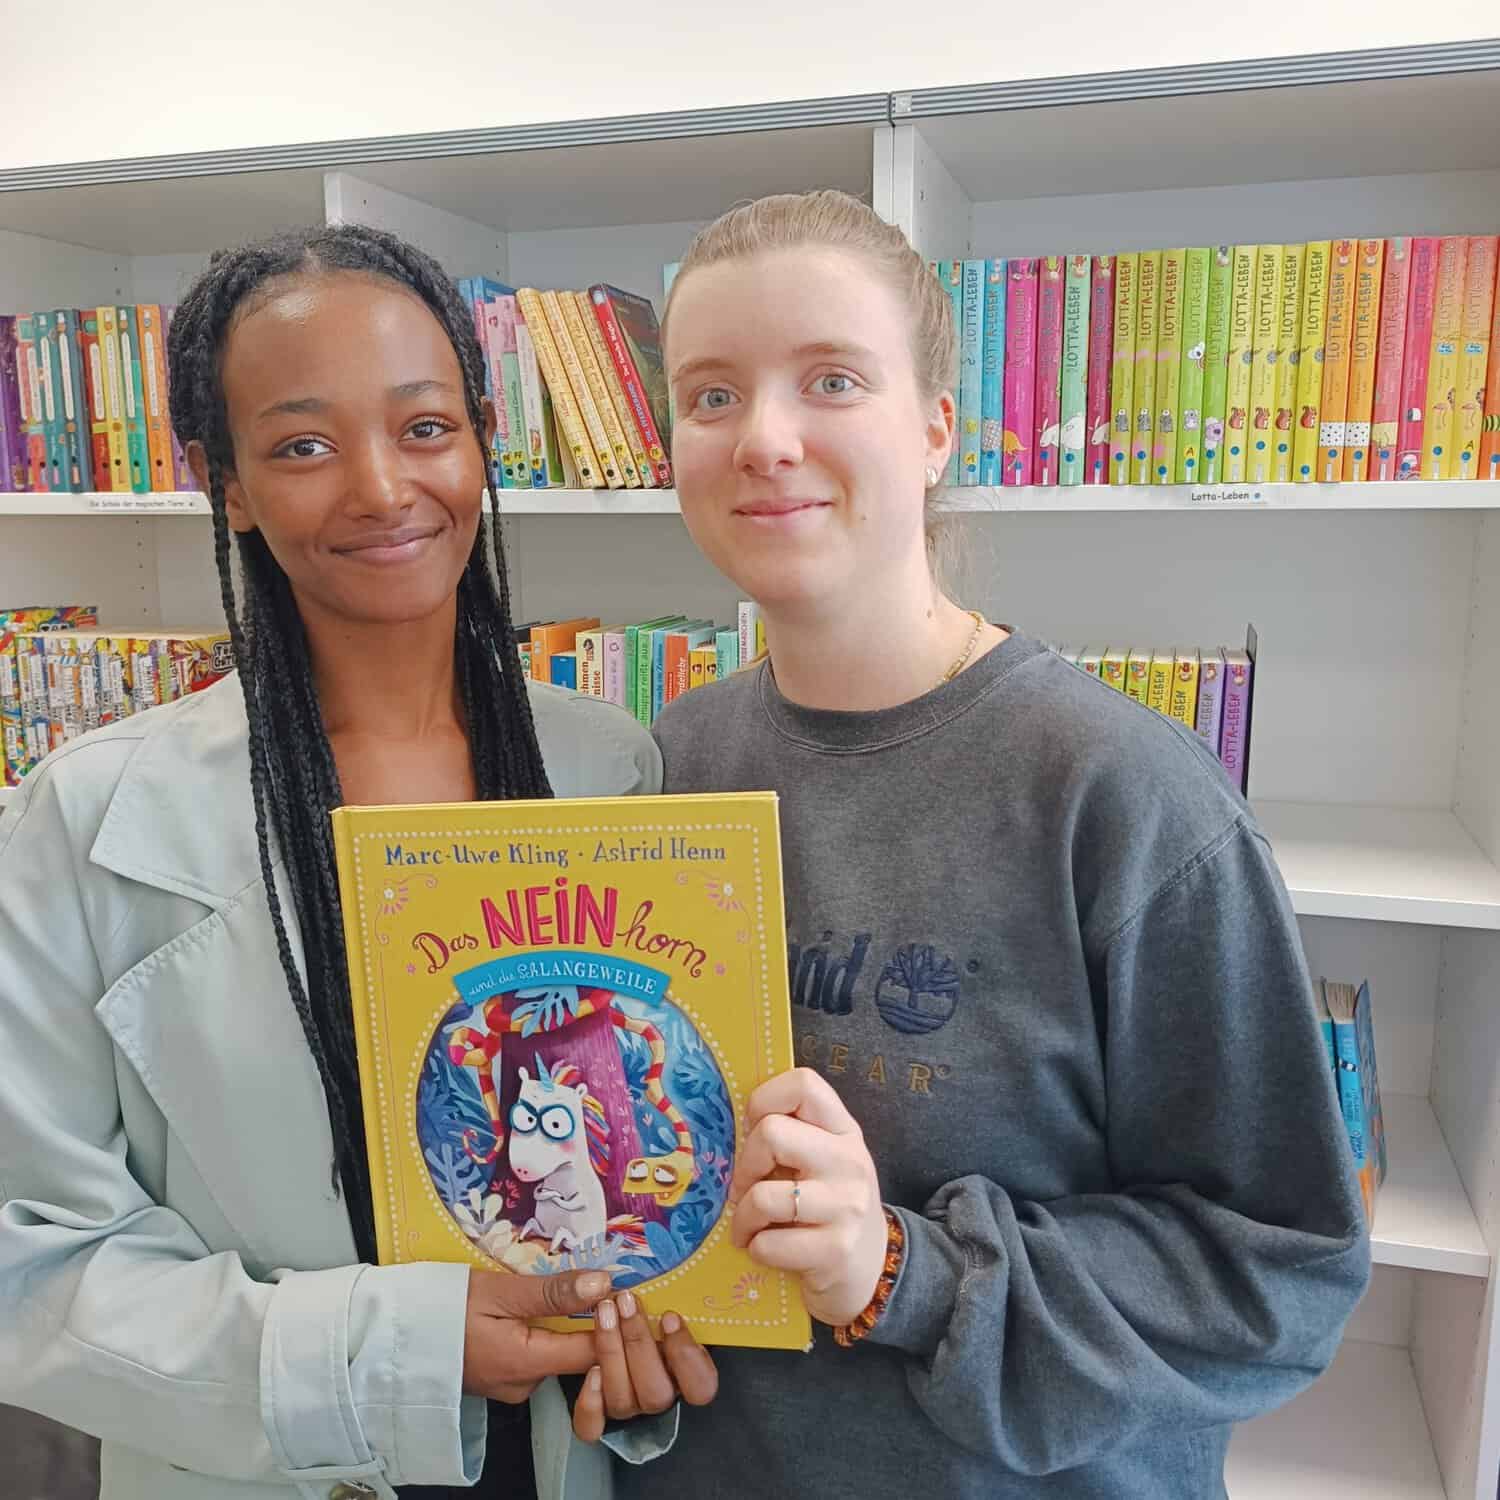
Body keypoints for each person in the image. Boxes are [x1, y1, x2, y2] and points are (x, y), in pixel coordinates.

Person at [626, 190, 1371, 1498]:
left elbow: (1278, 1275)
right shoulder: (663, 766)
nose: (765, 440)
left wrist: (903, 1272)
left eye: (832, 380)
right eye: (712, 396)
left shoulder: (1129, 800)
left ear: (934, 431)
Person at [0, 223, 712, 1500]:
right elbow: (32, 1271)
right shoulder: (89, 819)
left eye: (425, 427)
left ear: (482, 440)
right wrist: (398, 1354)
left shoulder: (613, 767)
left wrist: (642, 1334)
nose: (382, 488)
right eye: (303, 446)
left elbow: (641, 1150)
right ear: (225, 483)